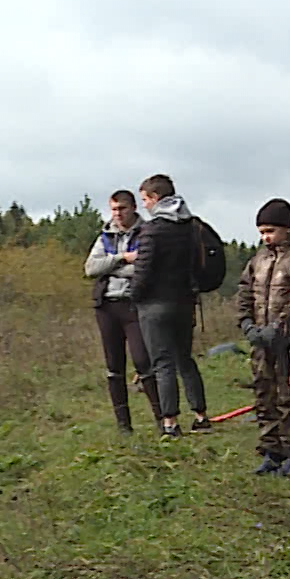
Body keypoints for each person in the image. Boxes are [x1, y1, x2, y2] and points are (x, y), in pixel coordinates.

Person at [131, 174, 211, 439]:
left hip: (155, 304)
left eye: (145, 200)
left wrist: (134, 295)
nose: (144, 206)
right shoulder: (190, 226)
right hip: (184, 301)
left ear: (155, 198)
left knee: (163, 363)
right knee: (185, 359)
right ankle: (200, 416)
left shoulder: (152, 230)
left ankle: (170, 421)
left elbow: (143, 269)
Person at [236, 197, 290, 476]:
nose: (266, 237)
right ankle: (271, 450)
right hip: (260, 341)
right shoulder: (258, 260)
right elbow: (244, 293)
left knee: (288, 397)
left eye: (271, 231)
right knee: (263, 394)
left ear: (287, 229)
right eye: (262, 232)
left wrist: (280, 327)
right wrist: (246, 323)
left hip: (289, 342)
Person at [84, 189, 164, 433]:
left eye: (122, 209)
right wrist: (123, 258)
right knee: (113, 365)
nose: (117, 214)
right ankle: (123, 426)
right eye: (114, 209)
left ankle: (162, 420)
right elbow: (90, 268)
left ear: (133, 208)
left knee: (143, 361)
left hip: (135, 304)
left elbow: (147, 269)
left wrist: (111, 266)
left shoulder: (147, 232)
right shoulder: (105, 235)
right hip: (107, 305)